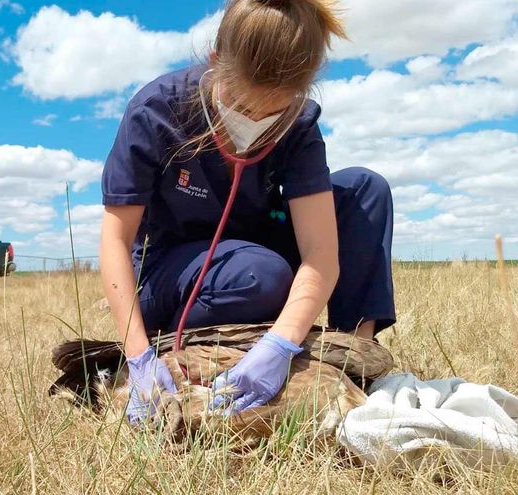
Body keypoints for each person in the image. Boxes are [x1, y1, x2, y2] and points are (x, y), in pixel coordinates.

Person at [99, 0, 396, 424]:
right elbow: (115, 239)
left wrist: (280, 345)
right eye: (243, 103)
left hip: (253, 249)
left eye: (277, 110)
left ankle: (355, 359)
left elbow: (320, 253)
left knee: (365, 189)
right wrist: (137, 356)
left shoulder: (299, 125)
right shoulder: (156, 112)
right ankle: (203, 337)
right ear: (217, 63)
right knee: (262, 273)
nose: (258, 121)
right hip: (173, 269)